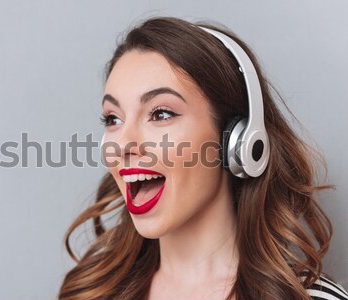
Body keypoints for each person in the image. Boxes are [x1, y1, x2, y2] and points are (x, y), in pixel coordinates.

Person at [58, 17, 348, 300]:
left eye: (161, 113)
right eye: (112, 118)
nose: (121, 145)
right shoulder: (92, 293)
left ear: (237, 142)